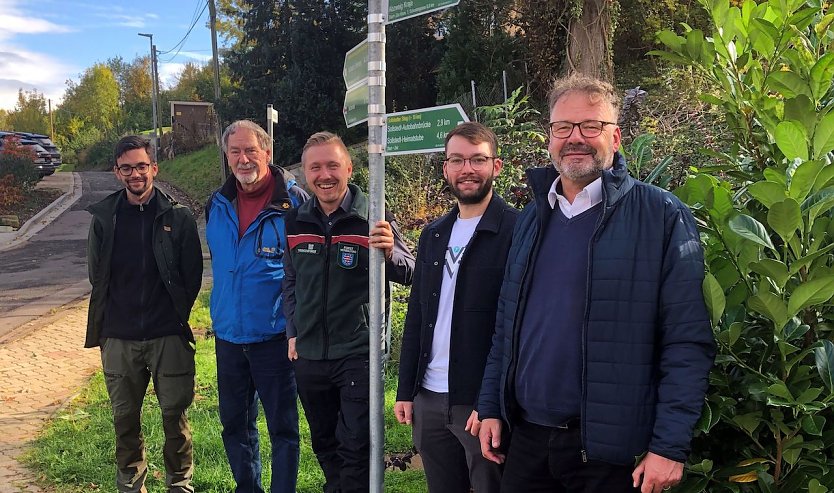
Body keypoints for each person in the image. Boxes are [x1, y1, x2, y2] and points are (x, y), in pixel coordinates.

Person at [476, 74, 716, 493]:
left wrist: (669, 447)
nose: (576, 138)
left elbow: (687, 341)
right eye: (563, 128)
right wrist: (491, 406)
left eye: (591, 126)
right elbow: (506, 325)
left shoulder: (661, 215)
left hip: (607, 453)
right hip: (528, 440)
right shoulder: (532, 218)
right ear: (549, 136)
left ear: (616, 136)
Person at [282, 131, 414, 493]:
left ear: (350, 168)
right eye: (315, 167)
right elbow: (290, 280)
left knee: (357, 444)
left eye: (332, 165)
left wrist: (390, 253)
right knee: (325, 443)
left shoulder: (373, 213)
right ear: (306, 173)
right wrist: (292, 330)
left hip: (358, 353)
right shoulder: (295, 221)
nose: (325, 175)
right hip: (308, 354)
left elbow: (411, 270)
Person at [394, 122, 517, 493]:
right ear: (445, 168)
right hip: (428, 399)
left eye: (478, 159)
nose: (468, 169)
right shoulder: (434, 233)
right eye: (458, 160)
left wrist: (493, 401)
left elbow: (514, 325)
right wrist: (406, 389)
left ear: (496, 166)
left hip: (478, 403)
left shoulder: (517, 230)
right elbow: (417, 314)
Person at [85, 135, 203, 493]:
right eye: (126, 168)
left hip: (167, 334)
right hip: (119, 335)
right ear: (117, 173)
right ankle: (131, 481)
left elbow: (191, 275)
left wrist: (172, 315)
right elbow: (96, 273)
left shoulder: (178, 217)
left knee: (174, 415)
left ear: (154, 168)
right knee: (124, 418)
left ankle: (179, 482)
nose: (135, 174)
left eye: (141, 166)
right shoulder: (105, 218)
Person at [205, 120, 308, 493]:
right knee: (234, 425)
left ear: (267, 152)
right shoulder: (216, 205)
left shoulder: (293, 204)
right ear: (227, 156)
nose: (243, 158)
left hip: (276, 338)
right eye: (235, 151)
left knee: (283, 428)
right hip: (229, 337)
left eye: (251, 150)